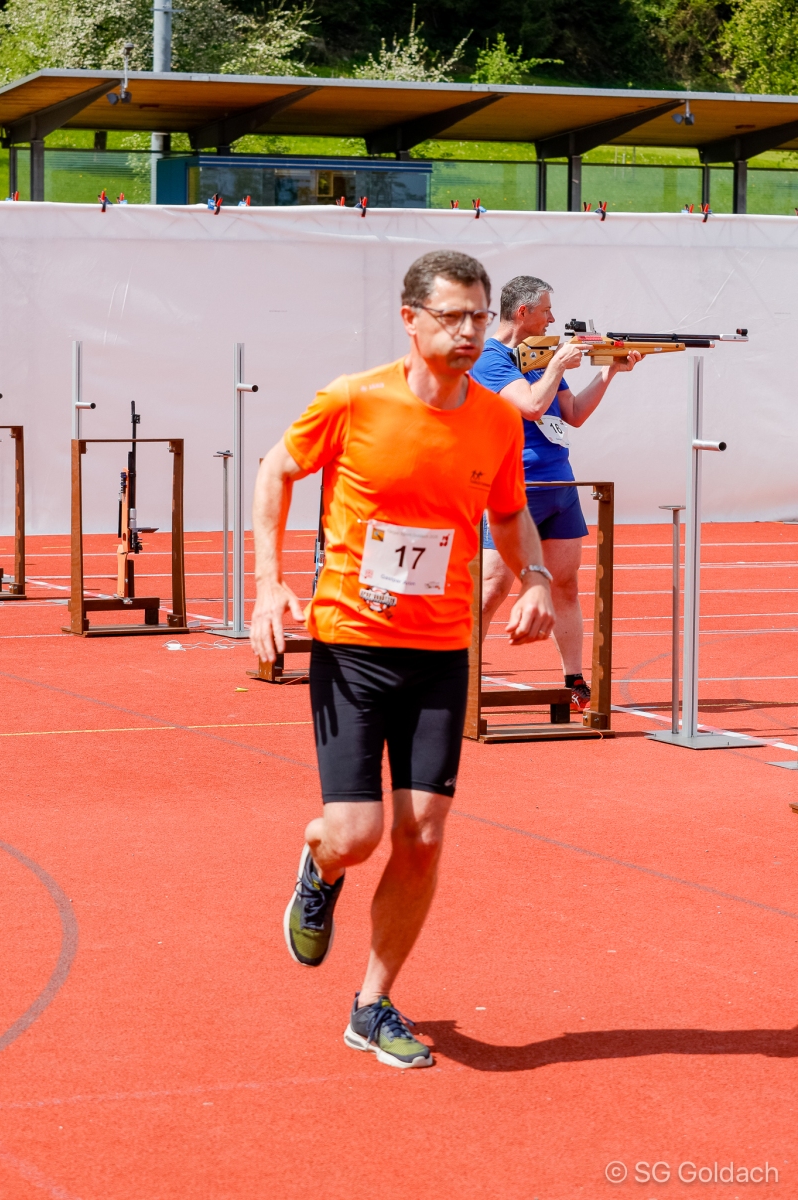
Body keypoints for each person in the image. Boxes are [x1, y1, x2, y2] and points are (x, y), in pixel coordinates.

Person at [249, 251, 555, 1070]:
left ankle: (373, 1003)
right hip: (352, 645)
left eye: (479, 317)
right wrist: (269, 585)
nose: (468, 332)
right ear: (410, 319)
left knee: (422, 834)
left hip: (441, 651)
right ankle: (321, 865)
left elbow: (509, 513)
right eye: (452, 317)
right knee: (357, 834)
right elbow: (276, 469)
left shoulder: (497, 420)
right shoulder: (353, 399)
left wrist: (533, 576)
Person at [470, 276, 641, 711]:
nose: (552, 318)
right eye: (545, 310)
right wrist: (558, 366)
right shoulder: (490, 359)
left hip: (559, 484)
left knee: (565, 586)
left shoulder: (539, 356)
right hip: (513, 487)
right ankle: (458, 678)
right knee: (491, 589)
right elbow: (530, 406)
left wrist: (609, 372)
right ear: (522, 312)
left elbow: (574, 414)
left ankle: (574, 680)